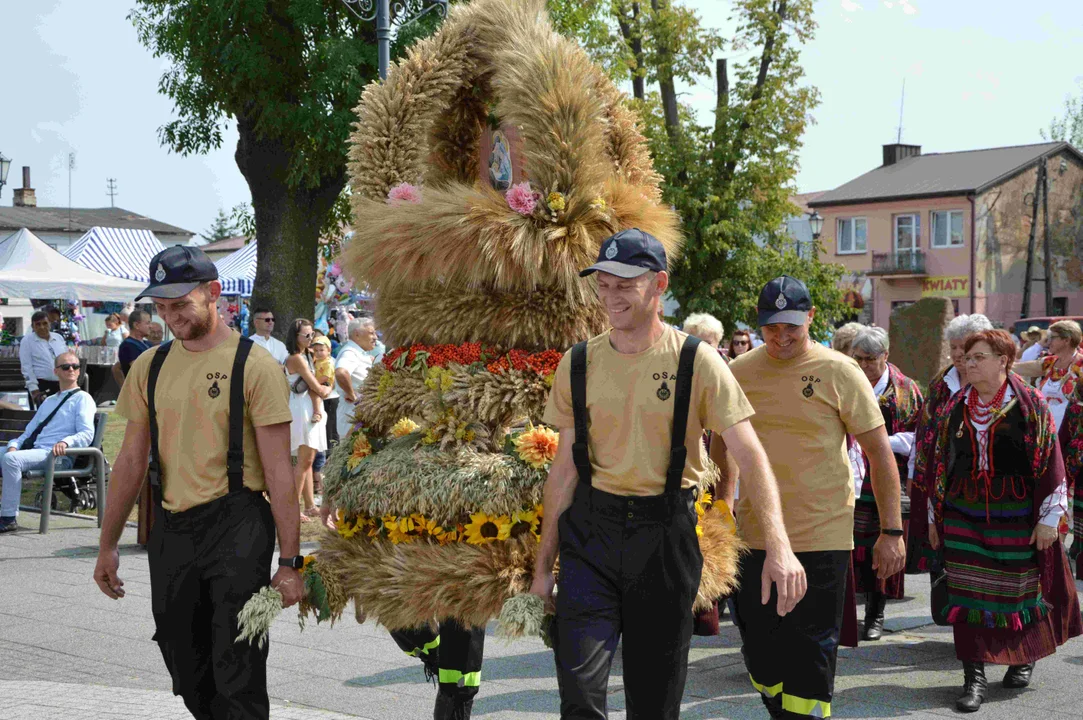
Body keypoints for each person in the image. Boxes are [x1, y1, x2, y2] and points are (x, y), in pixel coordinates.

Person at [530, 230, 806, 720]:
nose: (611, 297)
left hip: (665, 537)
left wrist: (779, 546)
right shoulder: (578, 362)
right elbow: (564, 470)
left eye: (625, 285)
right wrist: (541, 571)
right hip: (591, 534)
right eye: (604, 284)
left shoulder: (696, 360)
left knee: (654, 702)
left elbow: (750, 452)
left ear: (659, 284)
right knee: (578, 693)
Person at [92, 245, 302, 719]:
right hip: (172, 530)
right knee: (183, 663)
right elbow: (129, 461)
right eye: (162, 309)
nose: (171, 318)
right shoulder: (150, 365)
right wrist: (108, 544)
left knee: (238, 665)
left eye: (180, 305)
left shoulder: (256, 365)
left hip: (238, 523)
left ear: (213, 293)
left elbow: (279, 473)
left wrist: (290, 562)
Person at [728, 276, 904, 720]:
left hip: (821, 535)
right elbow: (721, 452)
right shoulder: (738, 372)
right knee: (759, 648)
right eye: (771, 328)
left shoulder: (840, 371)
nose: (781, 338)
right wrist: (717, 514)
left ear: (810, 318)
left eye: (792, 327)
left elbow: (881, 456)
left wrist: (892, 531)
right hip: (753, 534)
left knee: (812, 648)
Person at [926, 329, 1081, 712]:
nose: (969, 363)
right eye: (967, 357)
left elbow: (1051, 462)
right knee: (967, 593)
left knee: (1018, 590)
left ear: (1003, 361)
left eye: (979, 357)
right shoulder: (954, 407)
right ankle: (973, 678)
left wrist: (1050, 519)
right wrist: (933, 516)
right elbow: (938, 464)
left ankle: (1023, 657)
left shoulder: (1031, 404)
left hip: (1015, 511)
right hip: (964, 511)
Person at [848, 326, 924, 641]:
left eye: (870, 360)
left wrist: (877, 442)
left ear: (885, 356)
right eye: (859, 359)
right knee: (849, 546)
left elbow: (915, 437)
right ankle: (846, 614)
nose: (864, 366)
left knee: (882, 545)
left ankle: (875, 614)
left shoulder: (906, 389)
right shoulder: (846, 380)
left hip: (884, 474)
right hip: (848, 474)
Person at [909, 314, 994, 575]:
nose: (958, 354)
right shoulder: (940, 385)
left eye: (964, 347)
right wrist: (916, 473)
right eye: (953, 347)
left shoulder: (999, 384)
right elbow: (923, 434)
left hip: (990, 487)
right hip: (946, 485)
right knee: (946, 553)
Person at [0, 351, 95, 533]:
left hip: (57, 455)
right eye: (66, 367)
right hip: (36, 451)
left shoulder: (83, 399)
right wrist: (14, 444)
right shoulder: (50, 401)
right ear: (56, 371)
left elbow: (86, 433)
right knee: (8, 454)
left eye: (75, 366)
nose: (71, 370)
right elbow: (29, 432)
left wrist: (65, 442)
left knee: (12, 460)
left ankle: (8, 517)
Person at [286, 318, 329, 522]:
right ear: (296, 337)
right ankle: (292, 509)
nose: (311, 338)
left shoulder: (307, 356)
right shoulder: (297, 358)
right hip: (300, 410)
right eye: (307, 335)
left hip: (308, 408)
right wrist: (327, 389)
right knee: (304, 461)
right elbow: (317, 387)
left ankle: (310, 505)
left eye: (312, 334)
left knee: (308, 460)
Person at [1012, 320, 1083, 431]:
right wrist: (998, 364)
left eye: (1052, 337)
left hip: (1073, 433)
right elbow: (1017, 367)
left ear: (1067, 340)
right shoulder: (1049, 363)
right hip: (1048, 429)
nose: (1048, 341)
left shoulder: (1081, 364)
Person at [331, 318, 378, 441]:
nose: (375, 337)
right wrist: (352, 394)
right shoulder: (350, 352)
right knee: (350, 456)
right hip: (353, 414)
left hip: (360, 414)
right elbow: (341, 372)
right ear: (357, 334)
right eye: (371, 333)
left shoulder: (358, 352)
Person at [20, 310, 69, 410]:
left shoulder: (58, 338)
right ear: (33, 327)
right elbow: (26, 367)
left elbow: (66, 359)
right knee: (43, 419)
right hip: (41, 386)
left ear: (50, 324)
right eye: (38, 324)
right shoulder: (27, 341)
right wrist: (34, 390)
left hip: (61, 384)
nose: (42, 327)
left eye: (45, 323)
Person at [112, 309, 154, 386]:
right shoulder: (128, 345)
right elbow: (140, 371)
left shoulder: (148, 344)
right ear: (136, 325)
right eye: (148, 323)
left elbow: (116, 367)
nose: (151, 326)